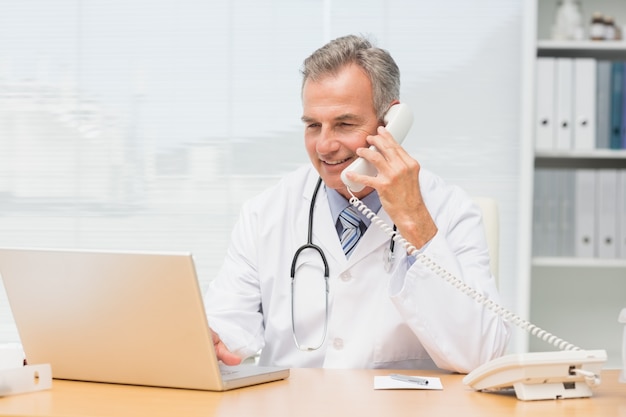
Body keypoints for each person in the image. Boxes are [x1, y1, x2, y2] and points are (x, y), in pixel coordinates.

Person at [204, 34, 510, 372]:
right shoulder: (266, 213)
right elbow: (228, 322)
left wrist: (414, 221)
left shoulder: (450, 211)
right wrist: (215, 336)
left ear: (391, 124)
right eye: (313, 126)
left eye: (344, 124)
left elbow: (484, 355)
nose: (323, 146)